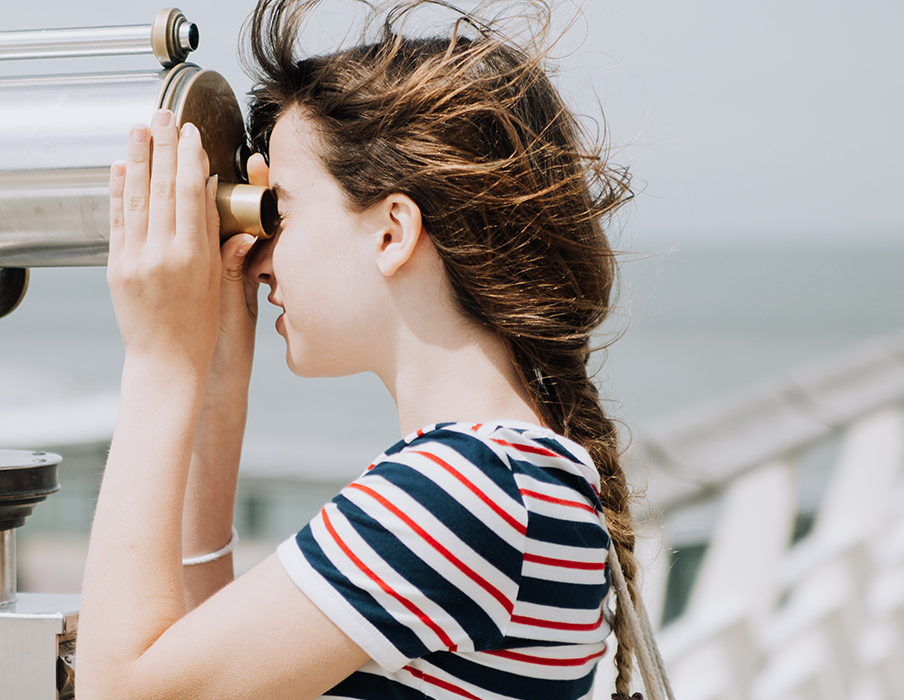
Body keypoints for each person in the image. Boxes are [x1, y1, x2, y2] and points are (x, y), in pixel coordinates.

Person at [77, 1, 657, 698]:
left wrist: (158, 360)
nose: (259, 259)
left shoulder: (466, 493)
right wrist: (219, 379)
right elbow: (202, 681)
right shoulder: (518, 478)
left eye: (280, 211)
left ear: (391, 231)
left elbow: (119, 691)